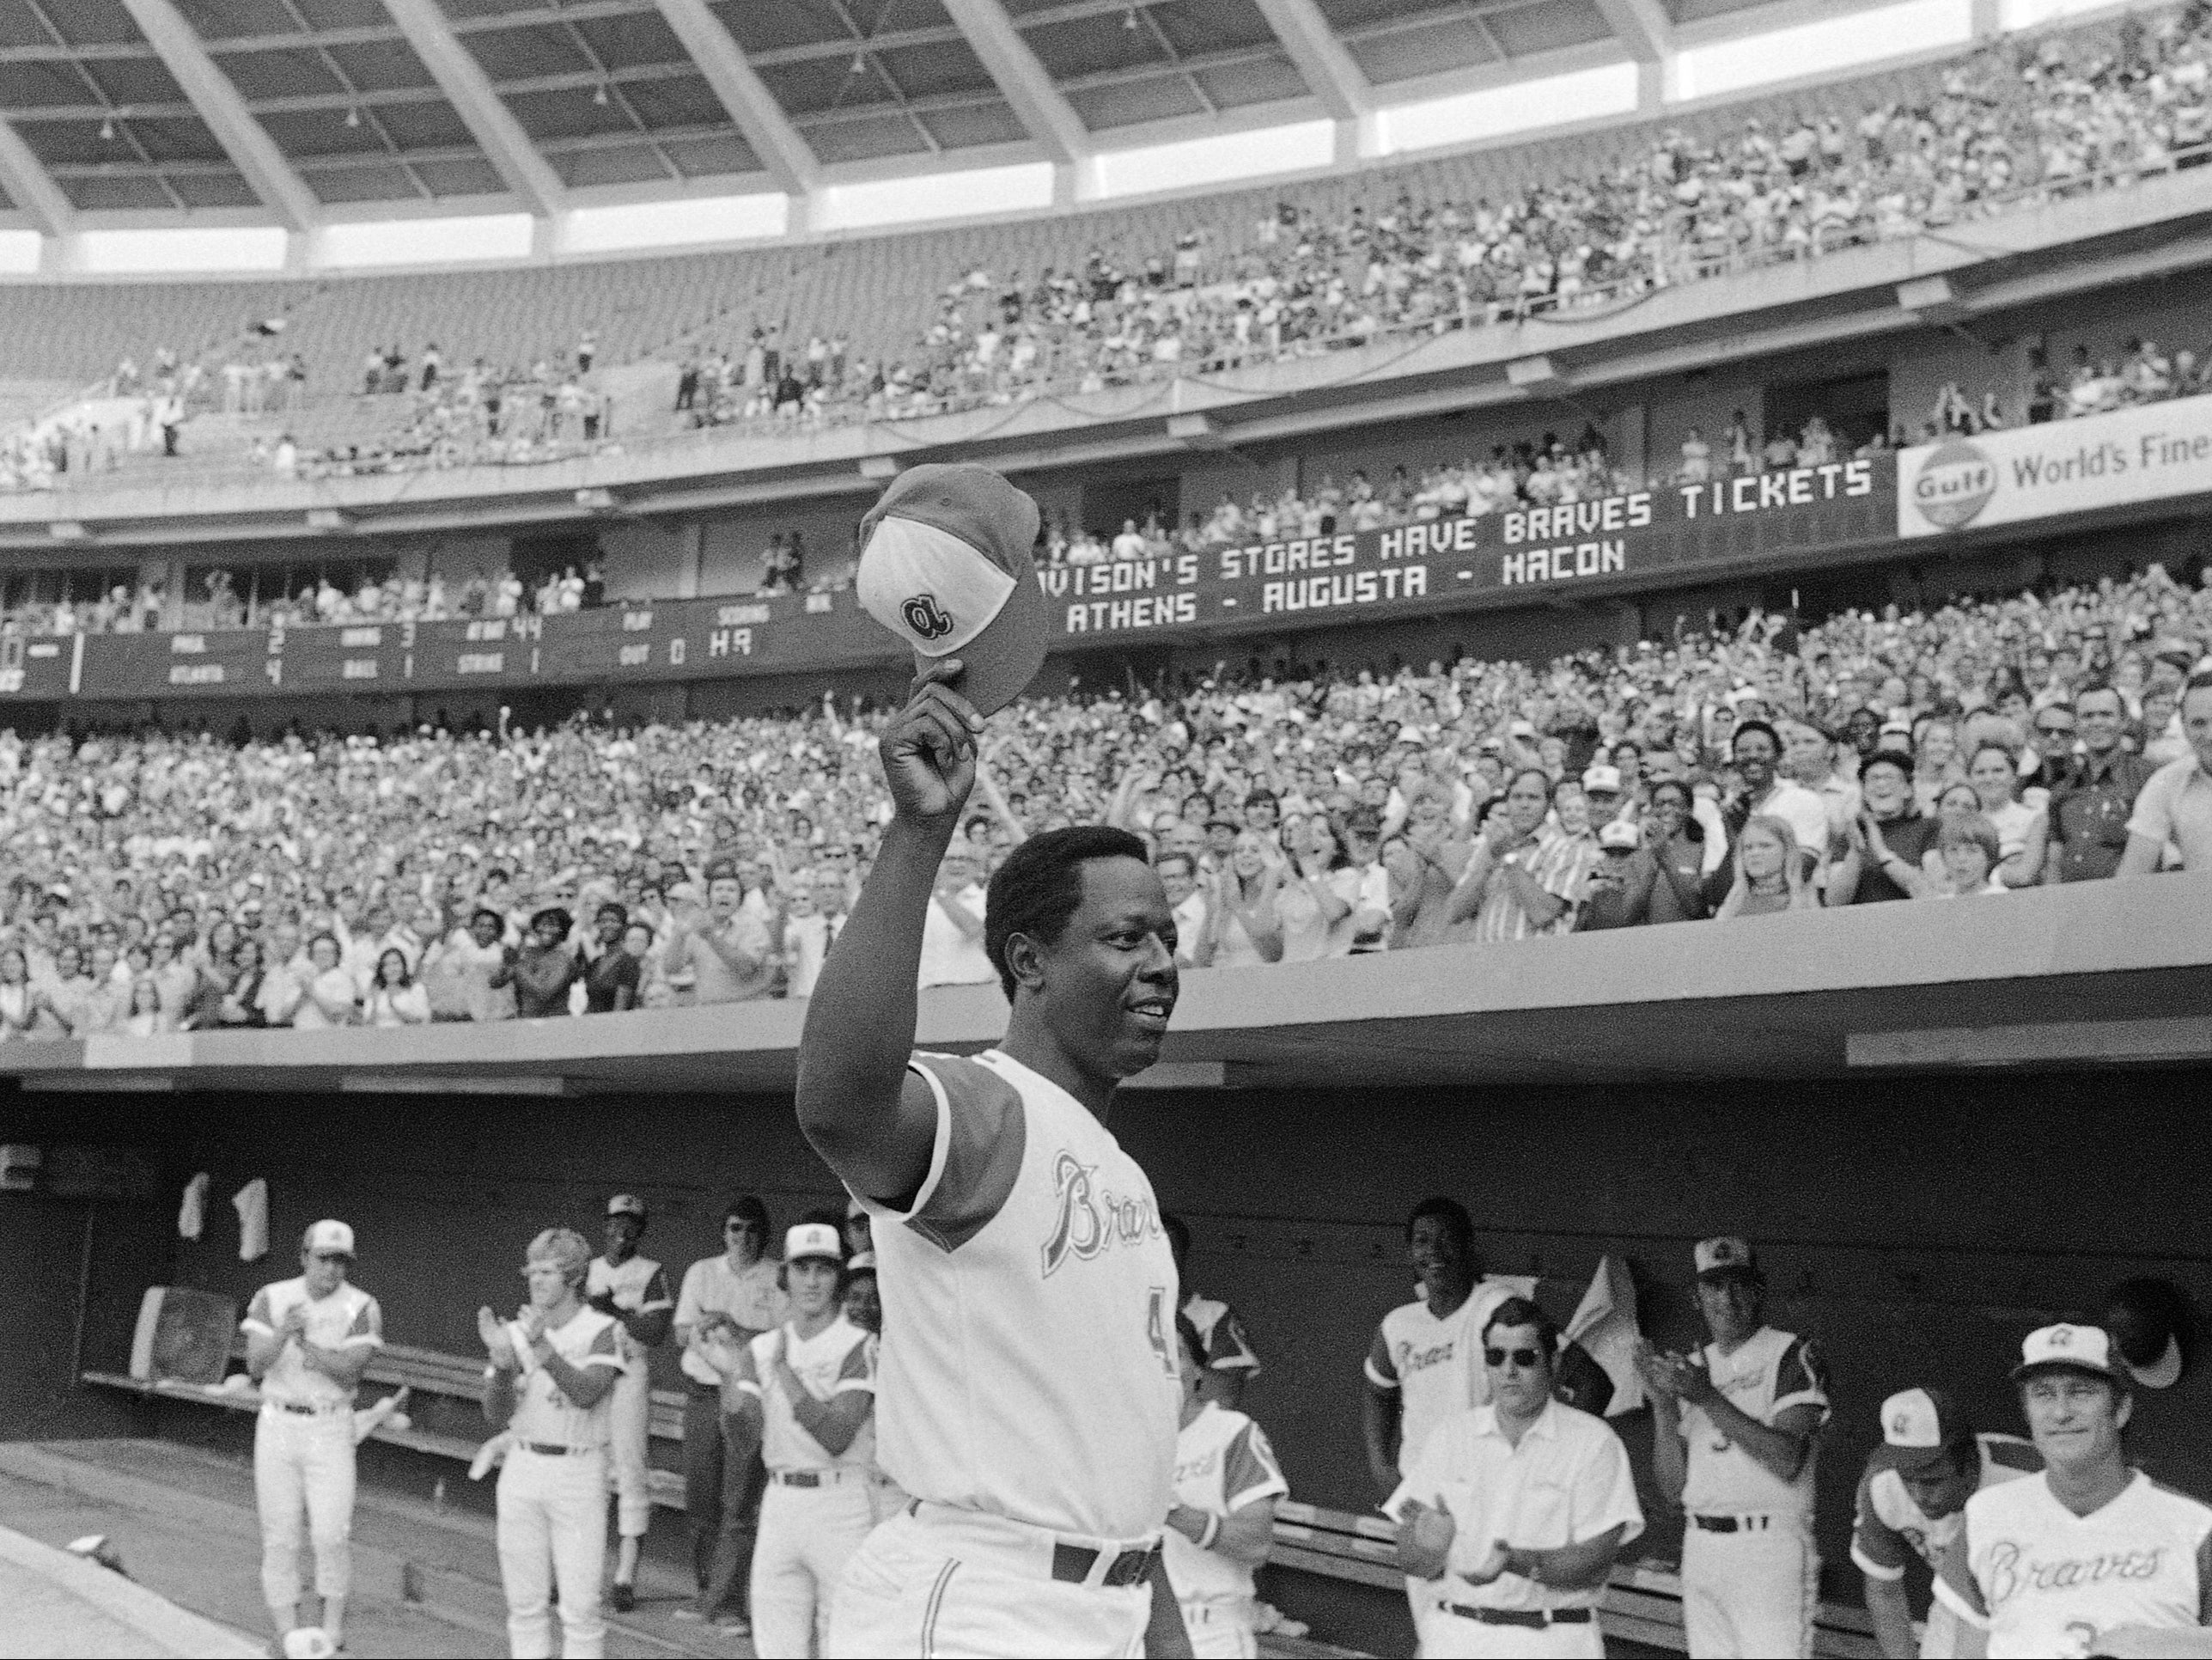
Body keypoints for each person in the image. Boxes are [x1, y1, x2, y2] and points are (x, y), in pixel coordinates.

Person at [794, 653, 1189, 1657]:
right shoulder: (990, 1107)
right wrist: (921, 832)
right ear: (1029, 962)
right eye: (1126, 939)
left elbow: (1124, 1468)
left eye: (1168, 940)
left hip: (1111, 1594)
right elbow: (841, 1107)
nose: (1161, 966)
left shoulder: (1120, 1169)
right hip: (983, 1602)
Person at [1364, 1199, 1610, 1646]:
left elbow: (1592, 1382)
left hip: (1496, 1506)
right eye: (1421, 1241)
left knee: (1498, 1637)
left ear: (1470, 1247)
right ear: (1408, 1253)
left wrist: (1548, 1465)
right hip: (1427, 1511)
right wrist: (1387, 1479)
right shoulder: (1399, 1325)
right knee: (1441, 1637)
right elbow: (1378, 1397)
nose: (1434, 1251)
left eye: (1446, 1239)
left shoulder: (1497, 1306)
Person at [1935, 1324, 2212, 1656]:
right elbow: (1970, 1650)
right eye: (2043, 1394)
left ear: (2121, 1409)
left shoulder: (2194, 1525)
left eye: (2081, 1392)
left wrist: (2162, 1646)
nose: (2061, 1412)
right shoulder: (1987, 1514)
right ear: (2027, 1412)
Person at [1392, 1297, 1644, 1658]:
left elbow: (1594, 1563)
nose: (1508, 1369)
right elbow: (1411, 1560)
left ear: (1553, 1363)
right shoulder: (1448, 1438)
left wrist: (1514, 1563)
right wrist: (1429, 1545)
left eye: (1524, 1357)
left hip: (1551, 1639)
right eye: (1496, 1357)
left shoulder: (1594, 1443)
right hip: (1455, 1636)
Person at [1635, 1236, 1830, 1659]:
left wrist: (1706, 1398)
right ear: (1697, 1297)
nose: (1728, 1297)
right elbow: (1673, 1492)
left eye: (1739, 1284)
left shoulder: (1791, 1352)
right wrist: (1665, 1410)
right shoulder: (1693, 1365)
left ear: (1759, 1291)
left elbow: (1788, 1459)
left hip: (1768, 1546)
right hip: (1702, 1546)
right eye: (1715, 1286)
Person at [695, 1220, 877, 1659]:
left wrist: (785, 1376)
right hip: (780, 1501)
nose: (812, 1281)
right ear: (786, 1277)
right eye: (802, 1269)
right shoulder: (762, 1348)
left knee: (847, 1643)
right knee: (777, 1644)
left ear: (838, 1278)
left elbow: (836, 1435)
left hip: (841, 1501)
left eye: (824, 1270)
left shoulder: (859, 1344)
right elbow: (745, 1440)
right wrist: (727, 1381)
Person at [479, 1227, 623, 1660]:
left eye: (548, 1272)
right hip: (523, 1463)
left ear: (574, 1277)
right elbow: (495, 1413)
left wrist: (543, 1349)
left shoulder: (602, 1328)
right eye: (532, 1272)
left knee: (580, 1608)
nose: (536, 1281)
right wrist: (503, 1366)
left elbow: (586, 1393)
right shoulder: (518, 1330)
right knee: (525, 1604)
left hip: (577, 1467)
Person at [241, 1220, 382, 1654]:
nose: (332, 1269)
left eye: (341, 1260)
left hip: (329, 1422)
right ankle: (288, 1634)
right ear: (304, 1257)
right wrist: (285, 1331)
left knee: (330, 1533)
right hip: (279, 1420)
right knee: (280, 1533)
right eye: (323, 1258)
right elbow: (255, 1365)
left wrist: (307, 1346)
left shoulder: (361, 1305)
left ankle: (331, 1631)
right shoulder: (274, 1296)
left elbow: (349, 1373)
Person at [1851, 1387, 2040, 1660]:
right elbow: (1884, 1591)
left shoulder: (2029, 1477)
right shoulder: (1882, 1484)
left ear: (1969, 1462)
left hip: (2039, 1607)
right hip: (1956, 1604)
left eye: (1932, 1480)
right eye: (1908, 1478)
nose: (1917, 1495)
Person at [673, 1195, 785, 1630]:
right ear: (724, 1231)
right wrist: (702, 1330)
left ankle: (731, 1604)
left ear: (765, 1234)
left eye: (753, 1228)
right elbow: (682, 1330)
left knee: (738, 1501)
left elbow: (783, 1335)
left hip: (751, 1399)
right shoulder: (702, 1272)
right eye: (736, 1227)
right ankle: (708, 1597)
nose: (743, 1236)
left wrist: (736, 1329)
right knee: (701, 1500)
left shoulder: (777, 1276)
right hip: (703, 1393)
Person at [1163, 1314, 1288, 1658]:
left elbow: (1256, 1544)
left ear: (1200, 1370)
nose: (1167, 1368)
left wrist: (1172, 1511)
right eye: (1156, 1357)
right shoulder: (1125, 1441)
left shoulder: (1229, 1432)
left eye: (1178, 1356)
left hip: (1208, 1634)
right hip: (1130, 1624)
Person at [584, 1195, 673, 1614]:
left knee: (631, 1467)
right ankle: (583, 1568)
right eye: (616, 1222)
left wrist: (614, 1310)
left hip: (630, 1372)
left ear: (641, 1229)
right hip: (590, 1374)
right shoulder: (588, 1269)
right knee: (588, 1468)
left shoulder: (651, 1272)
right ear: (605, 1225)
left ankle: (625, 1574)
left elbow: (654, 1331)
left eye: (632, 1224)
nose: (623, 1230)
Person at [2044, 685, 2160, 883]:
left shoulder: (2148, 777)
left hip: (2130, 901)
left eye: (2106, 714)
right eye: (2087, 716)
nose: (2097, 722)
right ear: (2077, 725)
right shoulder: (2063, 786)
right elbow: (2055, 860)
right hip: (2071, 903)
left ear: (2123, 721)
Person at [1163, 1212, 1260, 1411]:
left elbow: (1221, 1400)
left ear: (1182, 1253)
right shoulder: (1117, 1313)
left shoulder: (1213, 1314)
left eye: (1167, 1248)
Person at [2120, 675, 2212, 876]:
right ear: (2184, 728)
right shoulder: (2167, 783)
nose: (2210, 734)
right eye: (2199, 723)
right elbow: (2131, 878)